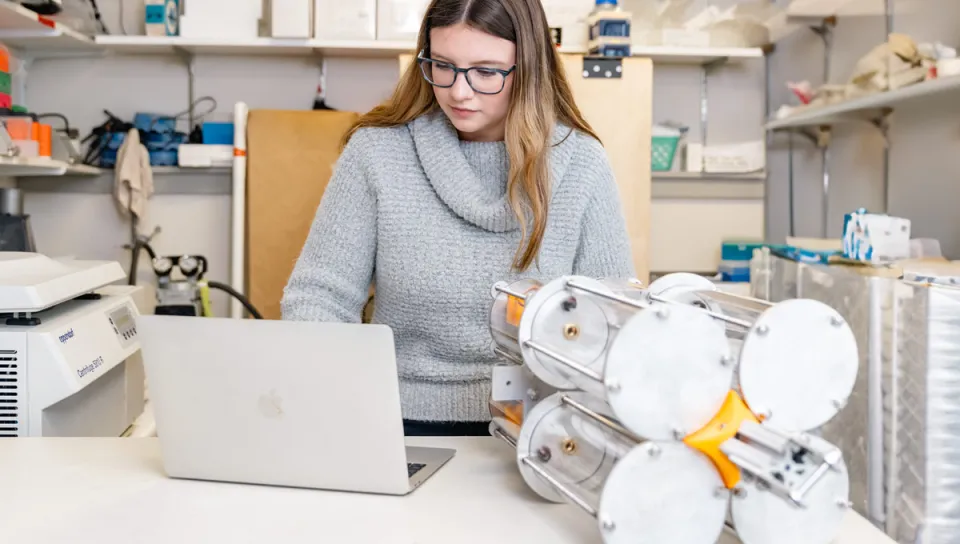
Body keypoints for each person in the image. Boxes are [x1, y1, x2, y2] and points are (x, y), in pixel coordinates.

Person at [281, 0, 635, 436]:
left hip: (541, 431)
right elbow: (317, 300)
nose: (458, 91)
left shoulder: (581, 163)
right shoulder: (377, 153)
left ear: (529, 68)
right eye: (442, 65)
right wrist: (344, 403)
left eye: (486, 72)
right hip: (389, 421)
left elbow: (613, 326)